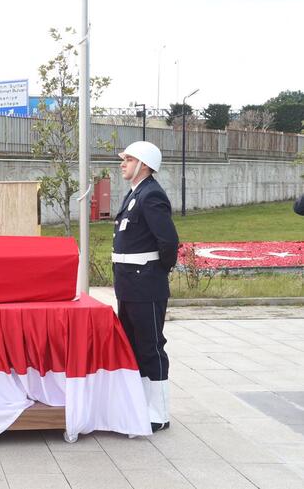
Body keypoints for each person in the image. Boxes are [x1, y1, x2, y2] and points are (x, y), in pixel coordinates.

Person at [112, 141, 179, 434]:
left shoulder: (151, 195)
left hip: (145, 283)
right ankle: (141, 405)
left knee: (151, 347)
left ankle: (159, 412)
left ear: (145, 164)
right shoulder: (135, 194)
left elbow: (168, 242)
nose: (123, 163)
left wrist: (155, 272)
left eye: (128, 159)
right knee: (134, 346)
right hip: (129, 284)